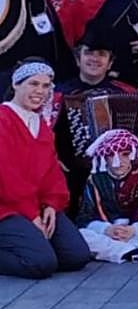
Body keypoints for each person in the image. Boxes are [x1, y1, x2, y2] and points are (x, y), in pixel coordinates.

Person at [54, 25, 138, 214]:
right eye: (89, 53)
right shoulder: (60, 94)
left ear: (110, 63)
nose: (95, 59)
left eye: (102, 54)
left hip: (118, 169)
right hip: (74, 170)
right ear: (77, 59)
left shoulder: (125, 92)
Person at [0, 60, 91, 279]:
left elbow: (51, 171)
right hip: (7, 207)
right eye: (33, 84)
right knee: (40, 264)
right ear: (16, 85)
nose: (40, 91)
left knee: (76, 256)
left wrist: (51, 204)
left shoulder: (41, 124)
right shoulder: (3, 119)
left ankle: (30, 241)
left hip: (35, 204)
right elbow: (6, 176)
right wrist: (32, 216)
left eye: (46, 85)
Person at [76, 129, 138, 264]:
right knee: (84, 236)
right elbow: (85, 217)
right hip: (106, 232)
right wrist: (107, 229)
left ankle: (123, 252)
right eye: (111, 156)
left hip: (132, 232)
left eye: (124, 155)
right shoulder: (95, 179)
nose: (118, 162)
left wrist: (133, 229)